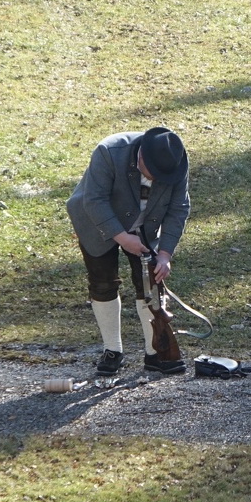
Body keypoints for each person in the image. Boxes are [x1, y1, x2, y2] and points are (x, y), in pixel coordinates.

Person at [67, 127, 191, 376]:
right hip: (96, 222)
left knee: (150, 286)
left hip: (146, 226)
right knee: (102, 283)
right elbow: (94, 200)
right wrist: (122, 237)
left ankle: (154, 352)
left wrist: (165, 254)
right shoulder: (109, 151)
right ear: (141, 157)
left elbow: (179, 208)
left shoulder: (175, 160)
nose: (158, 180)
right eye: (154, 174)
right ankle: (112, 351)